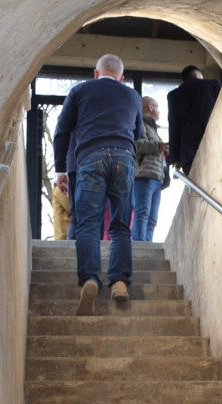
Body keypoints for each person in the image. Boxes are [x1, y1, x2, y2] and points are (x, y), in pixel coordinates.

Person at [53, 54, 144, 315]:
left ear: (96, 73)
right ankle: (119, 282)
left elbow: (62, 130)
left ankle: (90, 279)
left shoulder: (80, 91)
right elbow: (137, 132)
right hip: (124, 158)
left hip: (90, 158)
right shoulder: (132, 97)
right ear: (121, 77)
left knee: (88, 224)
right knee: (120, 225)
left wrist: (61, 169)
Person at [167, 65, 221, 176]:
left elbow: (174, 127)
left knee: (196, 188)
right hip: (215, 145)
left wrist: (176, 158)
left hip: (189, 153)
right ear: (197, 75)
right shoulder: (213, 85)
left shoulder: (174, 95)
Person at [132, 96, 167, 242]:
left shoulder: (152, 127)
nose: (159, 111)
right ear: (150, 107)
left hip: (155, 177)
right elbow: (136, 144)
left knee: (152, 218)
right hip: (144, 175)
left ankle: (147, 245)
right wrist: (157, 146)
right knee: (143, 212)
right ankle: (139, 246)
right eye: (157, 106)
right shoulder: (139, 123)